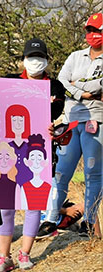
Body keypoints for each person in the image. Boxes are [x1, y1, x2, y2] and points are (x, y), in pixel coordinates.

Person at [0, 39, 64, 272]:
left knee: (34, 203)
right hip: (9, 151)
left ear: (46, 60)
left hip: (38, 153)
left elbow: (53, 113)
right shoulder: (8, 81)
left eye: (40, 57)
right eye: (31, 57)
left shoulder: (56, 86)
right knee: (6, 206)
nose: (35, 62)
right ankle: (3, 256)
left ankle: (25, 254)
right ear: (23, 59)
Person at [41, 12, 103, 238]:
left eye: (97, 31)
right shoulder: (75, 56)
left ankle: (89, 220)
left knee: (93, 173)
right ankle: (50, 218)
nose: (92, 35)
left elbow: (97, 84)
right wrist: (85, 93)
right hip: (70, 120)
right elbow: (62, 81)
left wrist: (80, 87)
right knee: (61, 172)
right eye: (89, 30)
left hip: (96, 121)